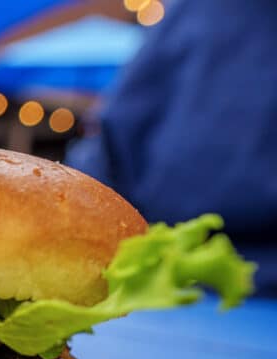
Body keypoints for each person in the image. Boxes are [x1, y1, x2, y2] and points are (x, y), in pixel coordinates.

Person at [65, 0, 277, 295]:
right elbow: (111, 146)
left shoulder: (196, 12)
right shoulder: (198, 12)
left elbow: (110, 145)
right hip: (147, 275)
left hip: (149, 274)